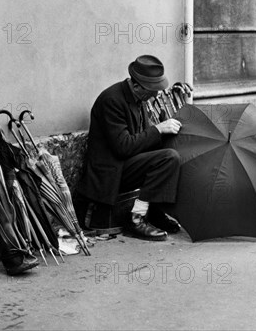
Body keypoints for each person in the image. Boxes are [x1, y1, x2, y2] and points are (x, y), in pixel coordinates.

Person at [77, 55, 192, 241]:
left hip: (125, 164)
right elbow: (123, 147)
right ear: (137, 85)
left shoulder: (138, 98)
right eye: (152, 90)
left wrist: (168, 133)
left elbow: (141, 139)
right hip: (110, 171)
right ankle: (136, 217)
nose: (155, 95)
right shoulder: (111, 100)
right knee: (169, 157)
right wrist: (158, 129)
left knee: (172, 153)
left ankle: (154, 212)